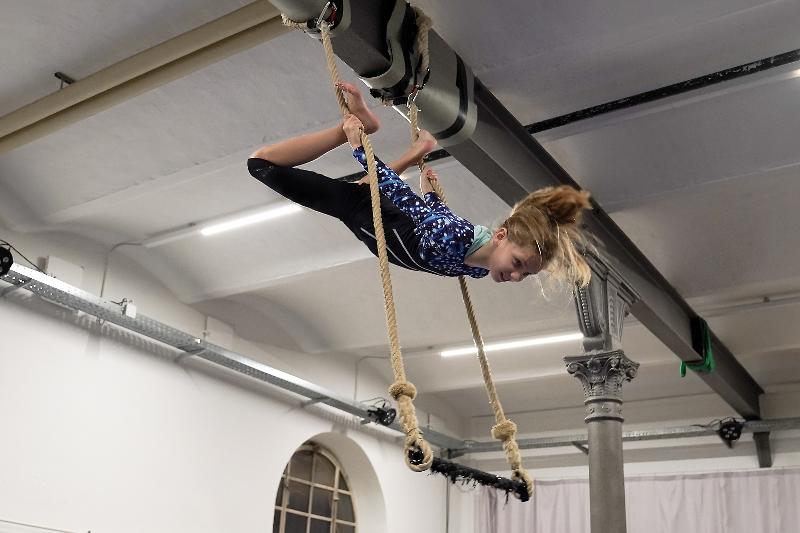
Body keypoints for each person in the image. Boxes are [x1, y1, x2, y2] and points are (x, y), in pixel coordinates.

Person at [248, 82, 592, 286]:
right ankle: (350, 131)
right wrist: (357, 148)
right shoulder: (457, 240)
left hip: (379, 217)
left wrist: (431, 195)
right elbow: (404, 197)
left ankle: (411, 147)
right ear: (501, 236)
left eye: (525, 274)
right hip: (364, 211)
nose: (515, 277)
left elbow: (438, 217)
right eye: (518, 264)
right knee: (260, 165)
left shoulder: (478, 267)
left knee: (368, 188)